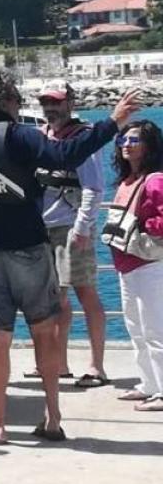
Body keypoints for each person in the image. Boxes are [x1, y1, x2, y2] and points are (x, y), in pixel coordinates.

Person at [0, 69, 139, 444]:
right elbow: (66, 154)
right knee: (43, 327)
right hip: (27, 243)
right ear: (8, 101)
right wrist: (112, 122)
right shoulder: (18, 134)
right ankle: (53, 417)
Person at [30, 81, 108, 388]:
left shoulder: (83, 138)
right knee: (55, 299)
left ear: (70, 103)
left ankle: (96, 366)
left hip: (71, 226)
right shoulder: (43, 136)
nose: (51, 107)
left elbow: (94, 186)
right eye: (46, 102)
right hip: (44, 228)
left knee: (85, 292)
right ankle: (57, 364)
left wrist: (83, 227)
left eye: (56, 102)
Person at [100, 120, 163, 411]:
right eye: (123, 140)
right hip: (127, 263)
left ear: (149, 145)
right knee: (135, 327)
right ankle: (149, 383)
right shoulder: (128, 180)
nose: (126, 144)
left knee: (155, 329)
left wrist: (143, 225)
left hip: (149, 263)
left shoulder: (154, 180)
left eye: (134, 140)